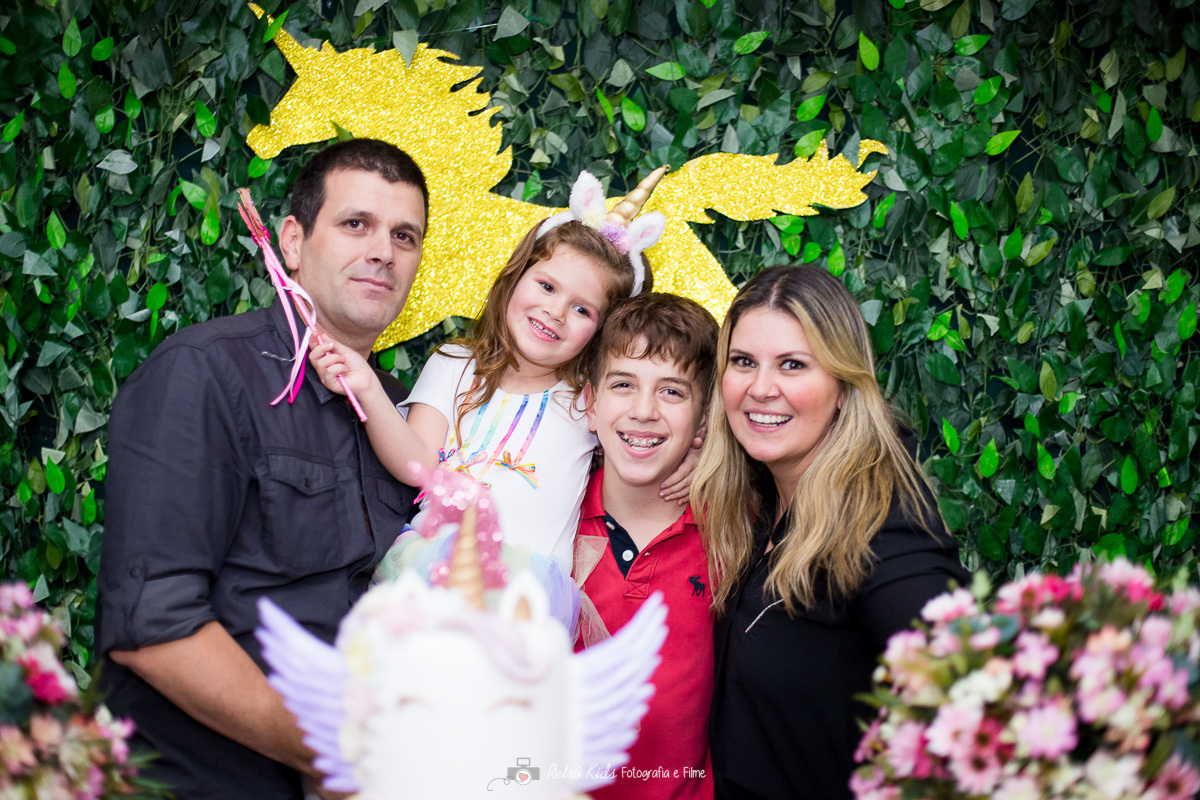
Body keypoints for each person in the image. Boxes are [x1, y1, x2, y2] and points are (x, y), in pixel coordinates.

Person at [96, 138, 429, 800]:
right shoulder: (207, 372)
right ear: (293, 242)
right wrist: (338, 754)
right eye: (356, 224)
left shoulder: (402, 420)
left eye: (405, 236)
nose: (384, 252)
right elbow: (151, 624)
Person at [310, 169, 693, 599]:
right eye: (546, 286)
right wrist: (366, 388)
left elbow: (642, 441)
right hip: (432, 573)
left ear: (602, 332)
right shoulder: (454, 365)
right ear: (515, 276)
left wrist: (693, 455)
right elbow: (417, 462)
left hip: (524, 597)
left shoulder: (589, 400)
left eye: (582, 310)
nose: (555, 312)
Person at [692, 265, 971, 800]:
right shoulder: (760, 500)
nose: (760, 389)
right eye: (743, 362)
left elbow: (964, 687)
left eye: (793, 365)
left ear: (843, 386)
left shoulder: (883, 520)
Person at [572, 292, 719, 800]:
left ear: (704, 421)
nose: (643, 411)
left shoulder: (734, 532)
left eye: (672, 392)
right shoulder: (552, 521)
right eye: (623, 384)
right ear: (590, 404)